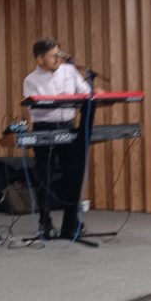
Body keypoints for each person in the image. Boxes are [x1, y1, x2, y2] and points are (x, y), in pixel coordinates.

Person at [22, 37, 91, 240]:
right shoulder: (30, 80)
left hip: (68, 127)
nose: (58, 59)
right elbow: (35, 108)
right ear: (39, 59)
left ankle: (72, 222)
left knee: (72, 175)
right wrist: (64, 101)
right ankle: (45, 222)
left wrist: (80, 98)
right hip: (44, 128)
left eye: (59, 54)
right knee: (44, 176)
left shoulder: (69, 71)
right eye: (53, 56)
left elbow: (86, 92)